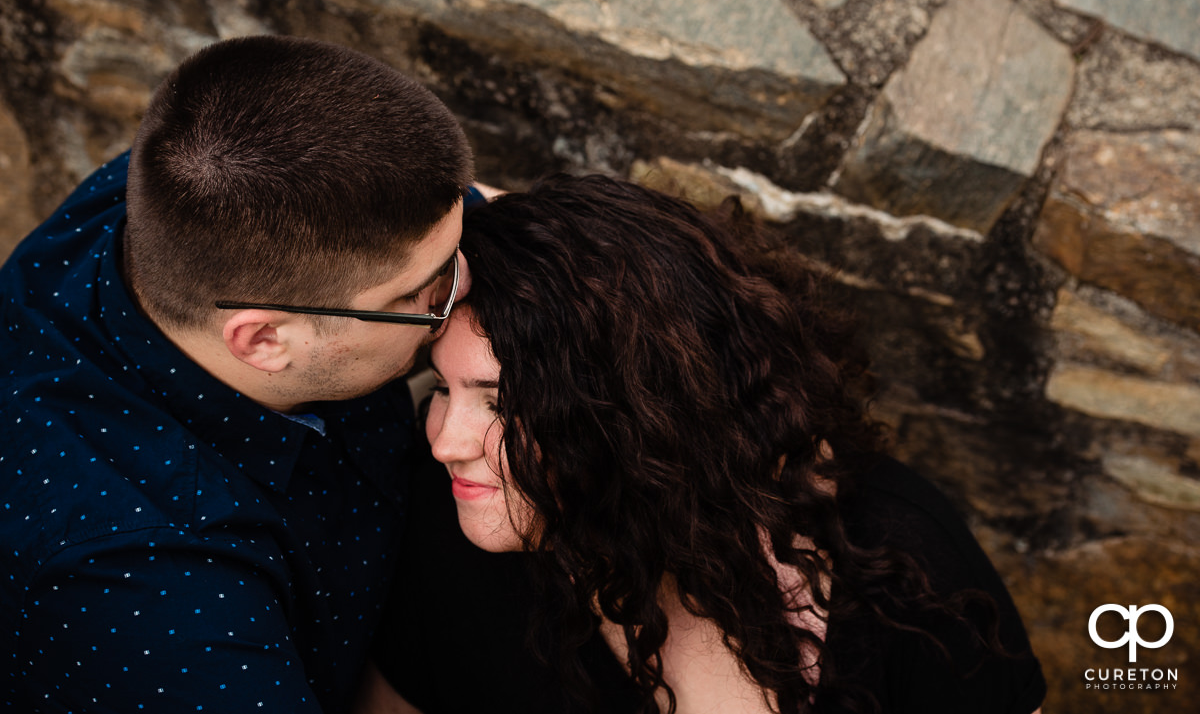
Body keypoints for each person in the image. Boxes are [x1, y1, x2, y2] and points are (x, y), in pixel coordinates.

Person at [369, 175, 1047, 713]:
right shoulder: (452, 532)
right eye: (442, 387)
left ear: (636, 412)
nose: (444, 441)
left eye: (500, 402)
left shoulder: (897, 559)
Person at [0, 35, 481, 712]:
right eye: (419, 297)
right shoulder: (151, 590)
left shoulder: (203, 181)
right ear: (263, 340)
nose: (459, 290)